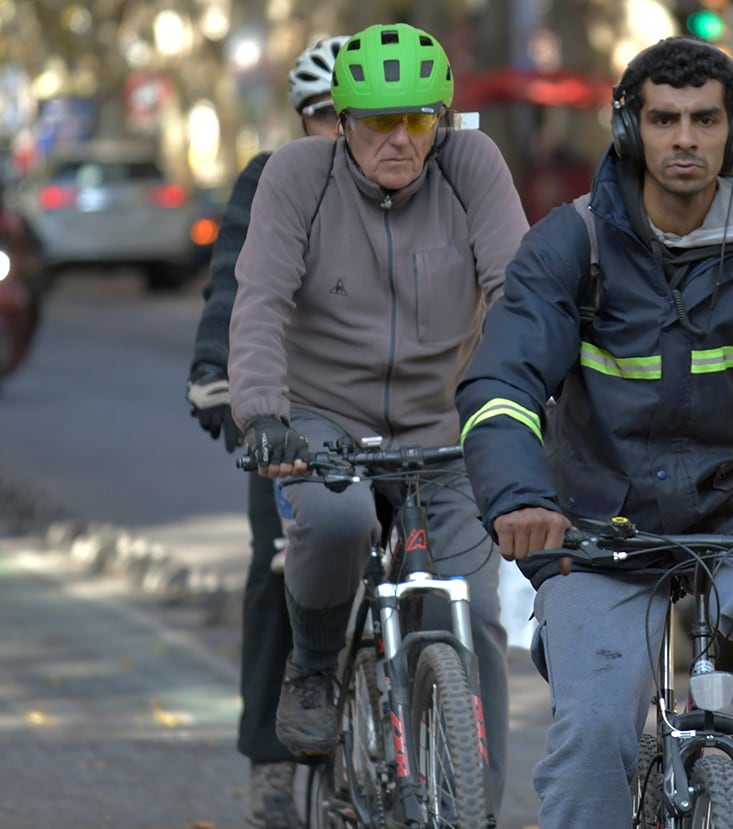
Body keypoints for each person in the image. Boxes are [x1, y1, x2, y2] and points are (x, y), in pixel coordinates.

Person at [455, 36, 733, 829]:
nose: (684, 139)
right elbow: (501, 385)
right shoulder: (573, 241)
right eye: (664, 120)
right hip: (598, 523)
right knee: (594, 738)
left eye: (705, 120)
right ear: (631, 128)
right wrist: (521, 499)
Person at [226, 22, 527, 807]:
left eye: (418, 120)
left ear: (443, 122)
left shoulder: (473, 168)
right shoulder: (297, 175)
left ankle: (475, 806)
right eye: (377, 122)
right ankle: (316, 666)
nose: (399, 139)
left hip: (446, 423)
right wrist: (262, 413)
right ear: (343, 122)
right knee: (334, 521)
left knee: (477, 611)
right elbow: (259, 299)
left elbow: (517, 292)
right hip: (324, 417)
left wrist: (524, 398)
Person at [186, 34, 348, 829]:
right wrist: (220, 377)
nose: (342, 130)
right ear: (302, 119)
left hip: (405, 419)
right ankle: (270, 762)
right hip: (286, 412)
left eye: (352, 114)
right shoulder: (274, 181)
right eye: (324, 115)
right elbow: (236, 290)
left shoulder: (431, 177)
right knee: (278, 569)